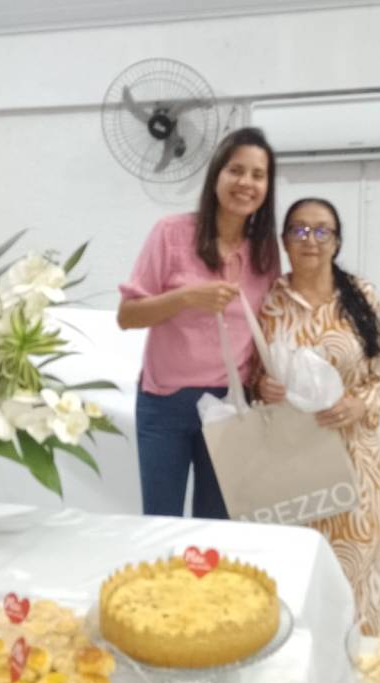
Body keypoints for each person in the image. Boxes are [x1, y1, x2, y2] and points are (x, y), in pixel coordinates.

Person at [118, 127, 281, 519]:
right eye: (236, 170)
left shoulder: (264, 250)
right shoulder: (171, 233)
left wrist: (266, 382)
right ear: (216, 176)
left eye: (258, 175)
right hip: (165, 403)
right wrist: (187, 297)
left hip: (231, 402)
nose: (246, 182)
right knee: (161, 521)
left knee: (217, 524)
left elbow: (266, 329)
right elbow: (127, 315)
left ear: (267, 187)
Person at [257, 198, 380, 622]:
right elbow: (250, 373)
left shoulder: (361, 297)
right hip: (289, 459)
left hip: (353, 456)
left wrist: (360, 404)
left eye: (322, 231)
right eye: (299, 230)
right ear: (284, 240)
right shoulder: (270, 301)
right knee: (293, 567)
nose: (311, 240)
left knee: (354, 564)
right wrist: (259, 386)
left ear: (336, 242)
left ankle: (356, 651)